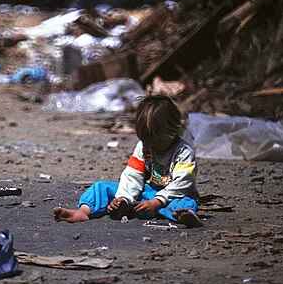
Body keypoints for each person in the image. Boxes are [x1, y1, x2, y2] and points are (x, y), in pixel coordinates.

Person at [53, 94, 203, 228]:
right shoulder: (144, 146)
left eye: (157, 140)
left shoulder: (183, 152)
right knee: (101, 188)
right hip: (144, 194)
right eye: (147, 140)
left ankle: (186, 216)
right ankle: (83, 211)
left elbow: (183, 183)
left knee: (185, 202)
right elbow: (133, 175)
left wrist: (157, 202)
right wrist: (124, 199)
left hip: (171, 196)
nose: (152, 145)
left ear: (174, 129)